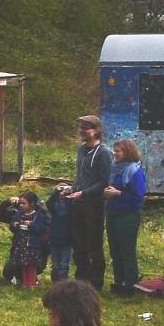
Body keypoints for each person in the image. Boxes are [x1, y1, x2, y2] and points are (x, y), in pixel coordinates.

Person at [59, 116, 111, 283]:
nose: (81, 131)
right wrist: (71, 188)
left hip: (94, 204)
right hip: (78, 203)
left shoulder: (104, 153)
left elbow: (104, 181)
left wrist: (84, 193)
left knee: (93, 244)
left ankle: (96, 281)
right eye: (80, 128)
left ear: (96, 130)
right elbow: (81, 176)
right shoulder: (81, 150)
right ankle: (82, 278)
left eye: (85, 128)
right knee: (78, 243)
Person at [100, 138, 150, 295]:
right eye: (114, 151)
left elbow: (138, 197)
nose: (115, 154)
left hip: (128, 215)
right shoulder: (115, 168)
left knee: (126, 250)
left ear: (128, 152)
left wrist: (118, 193)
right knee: (114, 249)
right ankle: (118, 281)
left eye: (118, 151)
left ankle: (130, 284)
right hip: (113, 213)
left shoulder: (135, 172)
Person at [1, 191, 51, 287]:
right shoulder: (19, 214)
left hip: (32, 245)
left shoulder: (38, 215)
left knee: (31, 265)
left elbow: (40, 229)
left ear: (32, 204)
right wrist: (15, 225)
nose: (21, 205)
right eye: (20, 203)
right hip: (21, 244)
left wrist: (31, 225)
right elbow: (12, 226)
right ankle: (24, 282)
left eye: (24, 203)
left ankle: (31, 283)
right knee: (22, 264)